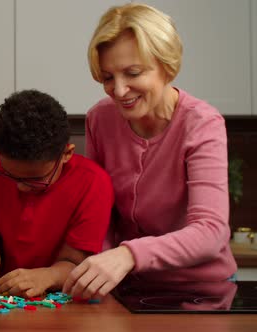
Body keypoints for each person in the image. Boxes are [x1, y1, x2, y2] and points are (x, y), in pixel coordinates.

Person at [63, 3, 237, 300]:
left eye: (133, 73)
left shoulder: (201, 123)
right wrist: (98, 266)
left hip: (201, 291)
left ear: (166, 65)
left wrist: (128, 255)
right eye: (107, 77)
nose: (118, 91)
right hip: (128, 288)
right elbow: (101, 210)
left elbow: (210, 231)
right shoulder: (100, 119)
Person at [0, 90, 114, 298]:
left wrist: (47, 276)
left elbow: (77, 263)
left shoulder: (92, 183)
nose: (21, 187)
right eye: (10, 175)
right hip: (5, 300)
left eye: (35, 180)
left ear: (66, 154)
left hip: (65, 301)